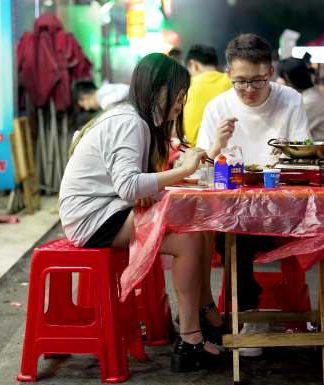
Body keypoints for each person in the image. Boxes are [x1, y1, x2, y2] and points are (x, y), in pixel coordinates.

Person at [198, 34, 324, 358]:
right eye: (240, 82)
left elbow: (301, 155)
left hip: (293, 210)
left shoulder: (289, 99)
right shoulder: (218, 107)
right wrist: (217, 146)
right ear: (229, 74)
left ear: (271, 71)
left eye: (257, 81)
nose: (248, 89)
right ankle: (252, 315)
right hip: (245, 214)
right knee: (231, 227)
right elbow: (202, 171)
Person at [59, 53, 221, 373]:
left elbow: (132, 186)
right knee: (187, 239)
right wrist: (183, 171)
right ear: (158, 90)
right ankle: (190, 340)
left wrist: (172, 188)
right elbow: (129, 186)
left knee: (199, 225)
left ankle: (204, 313)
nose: (181, 100)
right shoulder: (129, 121)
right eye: (178, 92)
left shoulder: (133, 118)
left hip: (107, 209)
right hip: (92, 219)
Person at [183, 44, 233, 146]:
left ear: (194, 65)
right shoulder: (233, 82)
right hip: (232, 152)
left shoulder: (186, 87)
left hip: (199, 155)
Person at [278, 58, 324, 141]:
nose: (278, 83)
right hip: (310, 150)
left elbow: (288, 133)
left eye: (281, 78)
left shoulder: (310, 101)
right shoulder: (310, 94)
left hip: (319, 152)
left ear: (289, 79)